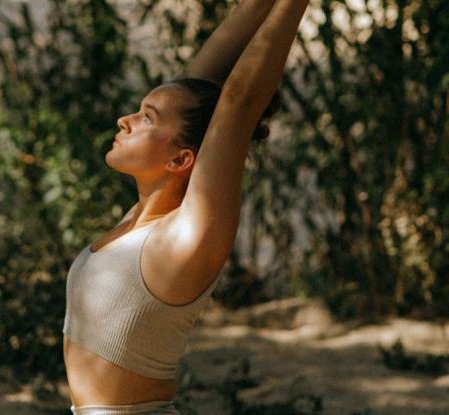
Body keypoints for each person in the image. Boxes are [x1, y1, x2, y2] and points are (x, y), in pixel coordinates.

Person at [62, 0, 309, 413]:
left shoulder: (185, 239)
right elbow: (202, 90)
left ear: (180, 160)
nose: (125, 119)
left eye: (147, 118)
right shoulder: (140, 224)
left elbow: (238, 102)